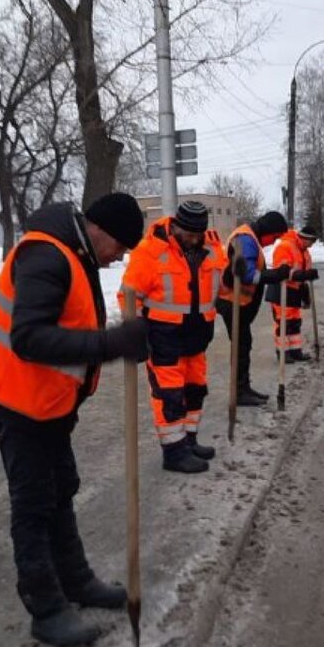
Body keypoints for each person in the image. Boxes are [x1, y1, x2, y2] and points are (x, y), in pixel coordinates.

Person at [0, 193, 149, 647]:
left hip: (49, 403)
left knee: (61, 490)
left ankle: (76, 581)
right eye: (121, 247)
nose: (119, 258)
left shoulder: (74, 252)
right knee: (32, 505)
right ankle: (46, 609)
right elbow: (29, 338)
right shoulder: (47, 255)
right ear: (101, 231)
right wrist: (112, 344)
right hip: (18, 401)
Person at [120, 201, 228, 474]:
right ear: (176, 226)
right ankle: (174, 452)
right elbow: (128, 296)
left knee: (195, 390)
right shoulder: (151, 251)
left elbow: (223, 285)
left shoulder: (212, 249)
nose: (193, 240)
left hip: (198, 337)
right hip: (163, 338)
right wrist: (136, 333)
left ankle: (189, 441)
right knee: (170, 395)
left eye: (198, 235)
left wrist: (236, 273)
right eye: (188, 234)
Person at [214, 211, 291, 406]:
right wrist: (272, 275)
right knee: (241, 345)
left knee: (244, 343)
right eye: (274, 238)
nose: (273, 242)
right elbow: (246, 275)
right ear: (268, 231)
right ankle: (239, 392)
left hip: (238, 302)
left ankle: (243, 387)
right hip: (232, 302)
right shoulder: (246, 239)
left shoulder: (249, 238)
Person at [266, 223, 320, 363]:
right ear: (305, 238)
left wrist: (306, 288)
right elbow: (282, 272)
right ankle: (283, 353)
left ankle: (295, 351)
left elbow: (303, 274)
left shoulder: (304, 251)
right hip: (281, 290)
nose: (312, 245)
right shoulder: (285, 246)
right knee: (284, 322)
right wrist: (303, 275)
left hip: (295, 291)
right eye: (312, 241)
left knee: (295, 322)